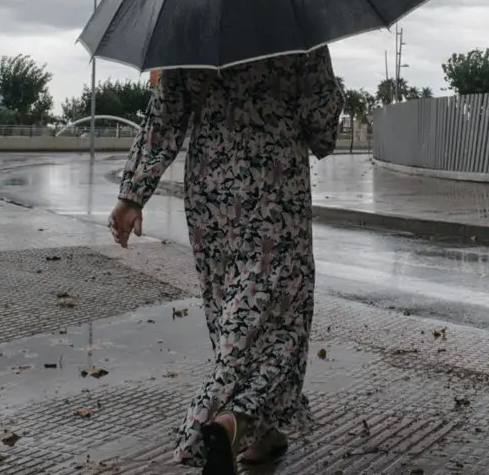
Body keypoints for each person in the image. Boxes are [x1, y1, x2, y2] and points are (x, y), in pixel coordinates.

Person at [106, 46, 344, 474]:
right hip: (275, 186)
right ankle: (225, 420)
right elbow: (322, 125)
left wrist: (132, 194)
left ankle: (263, 434)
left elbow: (165, 117)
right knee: (280, 320)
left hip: (211, 190)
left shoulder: (191, 27)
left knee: (231, 312)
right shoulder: (295, 24)